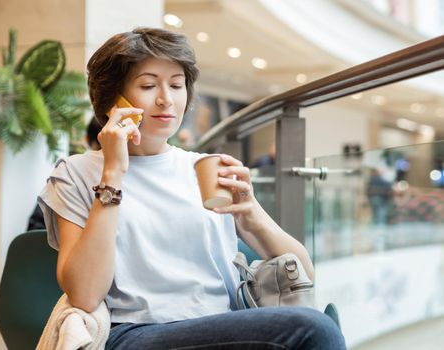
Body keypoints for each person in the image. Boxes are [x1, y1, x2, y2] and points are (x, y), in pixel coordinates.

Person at [38, 27, 345, 349]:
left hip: (223, 324)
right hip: (133, 332)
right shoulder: (77, 172)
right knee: (311, 329)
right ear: (113, 98)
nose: (166, 99)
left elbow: (304, 272)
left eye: (176, 84)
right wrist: (113, 173)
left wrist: (251, 214)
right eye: (147, 85)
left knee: (315, 327)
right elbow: (84, 295)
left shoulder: (206, 168)